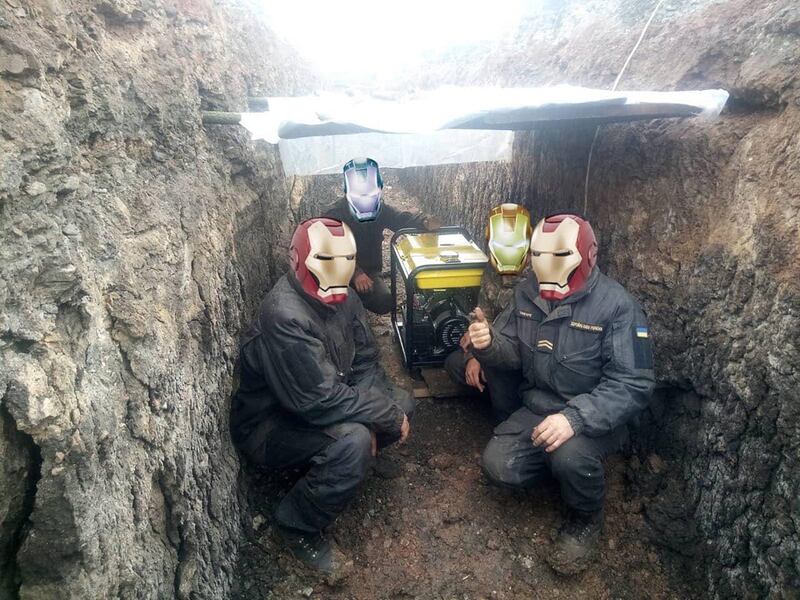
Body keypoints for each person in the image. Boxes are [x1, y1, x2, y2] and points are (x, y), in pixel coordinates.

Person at [468, 213, 655, 575]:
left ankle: (585, 519)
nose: (546, 267)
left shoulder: (618, 307)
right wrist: (489, 344)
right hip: (539, 407)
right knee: (499, 466)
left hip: (594, 419)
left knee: (570, 456)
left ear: (587, 255)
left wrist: (574, 419)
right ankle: (560, 471)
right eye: (539, 255)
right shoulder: (527, 292)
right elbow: (513, 352)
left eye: (558, 256)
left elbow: (633, 384)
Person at [230, 217, 414, 579]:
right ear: (300, 259)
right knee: (355, 439)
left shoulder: (344, 295)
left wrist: (381, 412)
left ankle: (345, 467)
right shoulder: (285, 316)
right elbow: (318, 401)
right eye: (327, 260)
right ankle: (296, 526)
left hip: (319, 399)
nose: (337, 271)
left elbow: (365, 360)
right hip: (271, 426)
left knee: (401, 404)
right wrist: (376, 418)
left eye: (345, 261)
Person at [443, 203, 532, 423]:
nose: (508, 250)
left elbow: (524, 343)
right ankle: (494, 394)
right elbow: (483, 315)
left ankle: (509, 421)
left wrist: (485, 357)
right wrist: (474, 353)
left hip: (522, 358)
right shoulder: (492, 271)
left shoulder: (539, 279)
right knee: (455, 363)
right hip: (493, 347)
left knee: (497, 372)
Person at [323, 157, 440, 315]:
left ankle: (356, 302)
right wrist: (355, 273)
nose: (366, 201)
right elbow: (330, 251)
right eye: (360, 196)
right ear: (348, 192)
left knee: (384, 301)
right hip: (337, 273)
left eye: (370, 196)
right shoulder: (334, 215)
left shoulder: (380, 210)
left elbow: (400, 219)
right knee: (335, 309)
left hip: (369, 272)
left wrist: (424, 222)